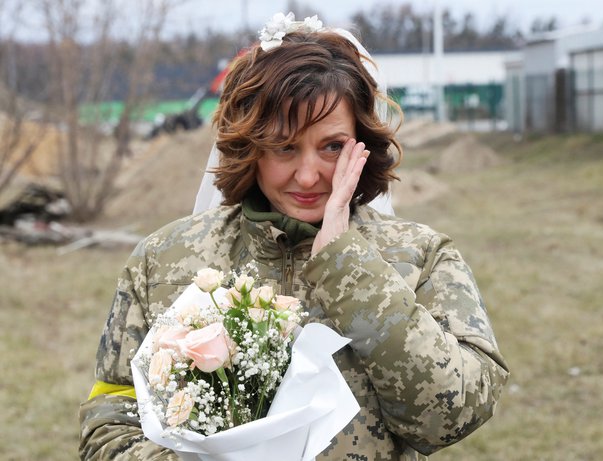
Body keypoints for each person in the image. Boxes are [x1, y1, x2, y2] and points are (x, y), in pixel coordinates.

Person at [79, 12, 509, 460]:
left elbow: (450, 417)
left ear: (362, 141)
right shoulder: (162, 260)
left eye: (332, 146)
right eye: (285, 146)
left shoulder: (422, 257)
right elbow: (111, 416)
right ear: (250, 146)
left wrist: (349, 269)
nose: (308, 177)